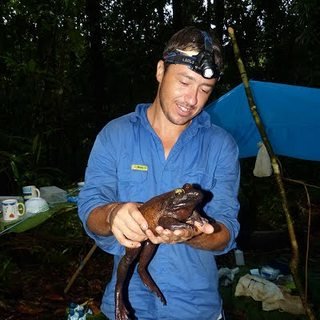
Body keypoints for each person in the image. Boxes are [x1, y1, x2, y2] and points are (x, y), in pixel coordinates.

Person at [78, 26, 240, 320]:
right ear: (160, 71)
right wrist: (113, 214)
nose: (192, 99)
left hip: (195, 307)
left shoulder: (221, 146)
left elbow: (226, 231)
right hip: (128, 305)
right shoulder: (114, 135)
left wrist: (190, 234)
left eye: (204, 90)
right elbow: (89, 208)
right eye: (184, 81)